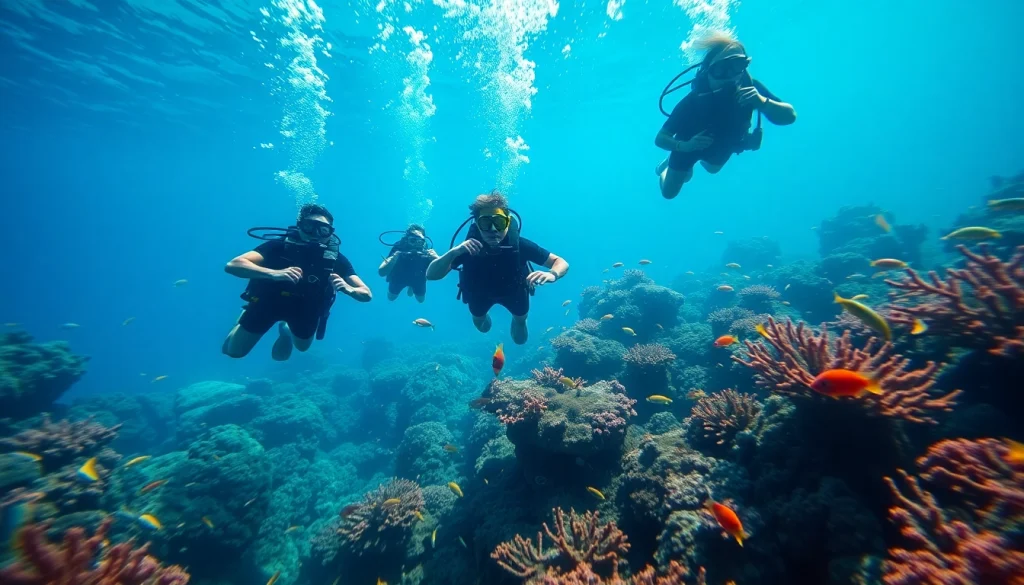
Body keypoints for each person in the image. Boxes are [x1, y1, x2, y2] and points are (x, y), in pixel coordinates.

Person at [655, 33, 796, 199]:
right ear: (707, 72)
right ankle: (666, 167)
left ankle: (684, 167)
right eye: (721, 70)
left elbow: (790, 116)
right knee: (669, 193)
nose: (730, 76)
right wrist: (683, 146)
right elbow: (660, 138)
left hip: (724, 145)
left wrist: (763, 102)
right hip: (688, 146)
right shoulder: (692, 102)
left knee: (712, 169)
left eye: (737, 66)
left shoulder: (751, 90)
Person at [222, 203, 371, 360]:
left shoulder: (336, 260)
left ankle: (285, 331)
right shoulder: (278, 247)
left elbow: (366, 294)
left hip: (306, 309)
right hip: (266, 303)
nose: (316, 234)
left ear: (330, 233)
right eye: (309, 226)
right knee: (233, 352)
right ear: (299, 227)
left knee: (302, 348)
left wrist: (350, 289)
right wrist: (274, 273)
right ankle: (243, 318)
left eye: (323, 229)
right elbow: (233, 265)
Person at [426, 192, 568, 345]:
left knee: (520, 335)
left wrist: (552, 274)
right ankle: (486, 319)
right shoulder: (466, 249)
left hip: (514, 292)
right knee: (482, 327)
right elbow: (431, 275)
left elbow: (560, 262)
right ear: (476, 224)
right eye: (485, 223)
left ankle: (517, 321)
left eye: (499, 222)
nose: (493, 229)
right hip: (478, 294)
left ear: (508, 222)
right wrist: (454, 252)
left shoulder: (520, 245)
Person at [378, 224, 438, 303]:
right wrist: (394, 258)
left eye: (420, 242)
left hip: (418, 278)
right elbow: (381, 272)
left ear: (423, 242)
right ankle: (410, 287)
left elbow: (439, 272)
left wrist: (436, 258)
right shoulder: (399, 248)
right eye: (413, 240)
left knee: (420, 300)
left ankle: (410, 287)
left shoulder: (427, 252)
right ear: (406, 240)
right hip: (398, 277)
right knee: (391, 297)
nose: (416, 244)